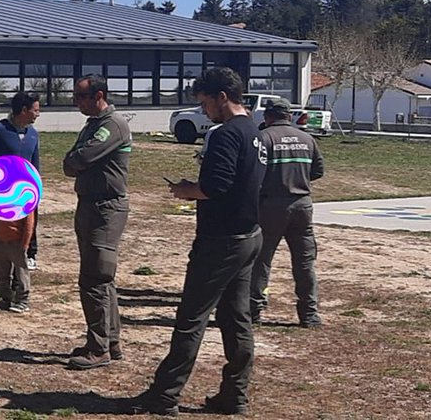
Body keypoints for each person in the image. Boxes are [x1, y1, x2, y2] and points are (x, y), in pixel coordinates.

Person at [135, 67, 266, 416]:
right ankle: (235, 394)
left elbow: (216, 187)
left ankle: (164, 395)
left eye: (205, 103)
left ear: (222, 97)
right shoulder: (255, 131)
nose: (204, 111)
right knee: (236, 318)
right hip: (249, 233)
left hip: (220, 239)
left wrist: (185, 190)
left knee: (192, 318)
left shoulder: (224, 134)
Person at [62, 75, 132, 370]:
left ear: (98, 95)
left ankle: (98, 346)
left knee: (95, 277)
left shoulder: (111, 125)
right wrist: (73, 160)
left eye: (81, 97)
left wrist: (74, 160)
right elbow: (71, 162)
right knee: (100, 277)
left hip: (105, 207)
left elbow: (80, 159)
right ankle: (110, 340)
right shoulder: (93, 125)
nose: (76, 102)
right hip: (91, 204)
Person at [251, 98, 325, 328]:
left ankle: (254, 309)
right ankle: (309, 314)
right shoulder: (307, 139)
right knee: (304, 263)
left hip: (271, 205)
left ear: (267, 116)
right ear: (289, 115)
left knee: (261, 260)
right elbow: (318, 170)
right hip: (302, 205)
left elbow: (254, 173)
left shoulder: (264, 138)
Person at [0, 91, 41, 313]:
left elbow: (35, 167)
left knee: (20, 251)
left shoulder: (33, 134)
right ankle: (2, 294)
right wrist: (4, 168)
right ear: (23, 110)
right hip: (0, 199)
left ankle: (21, 296)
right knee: (0, 250)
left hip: (24, 201)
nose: (38, 113)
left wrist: (35, 196)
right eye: (35, 109)